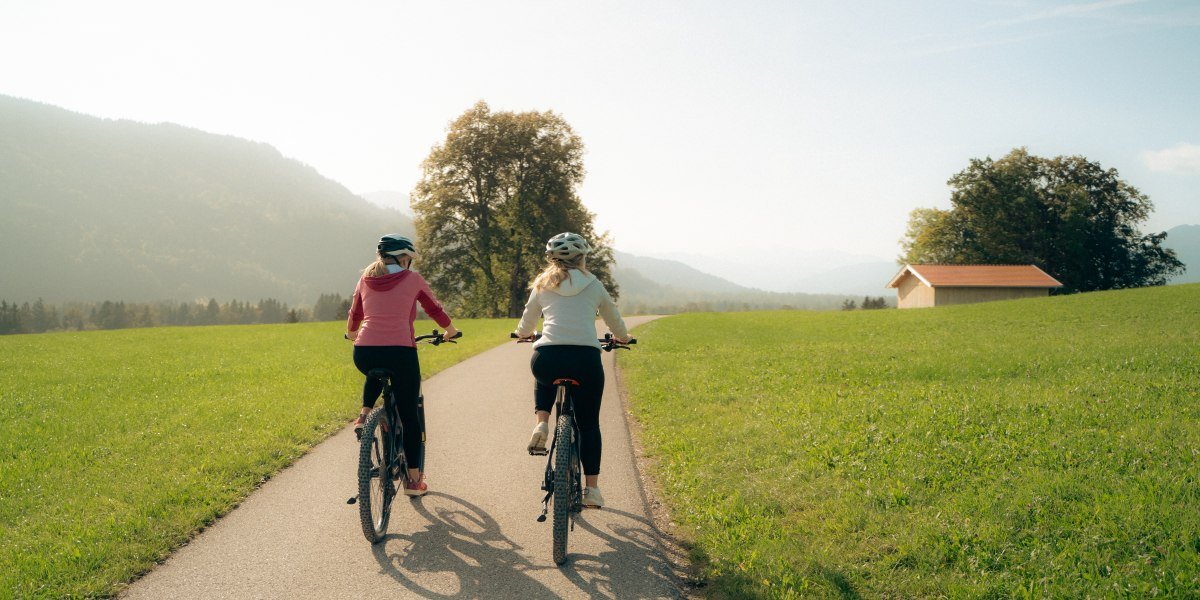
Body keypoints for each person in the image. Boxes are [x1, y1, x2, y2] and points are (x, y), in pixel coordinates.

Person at [514, 232, 630, 509]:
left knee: (543, 374)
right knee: (589, 424)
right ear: (582, 258)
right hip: (585, 359)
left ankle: (542, 421)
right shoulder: (594, 284)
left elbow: (527, 323)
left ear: (551, 259)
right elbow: (614, 320)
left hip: (548, 357)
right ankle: (592, 490)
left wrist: (523, 334)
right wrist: (622, 338)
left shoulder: (542, 284)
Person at [346, 234, 458, 497]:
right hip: (400, 352)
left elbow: (355, 314)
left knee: (375, 369)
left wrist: (353, 334)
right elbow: (434, 308)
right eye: (409, 258)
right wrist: (450, 330)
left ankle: (364, 414)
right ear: (403, 258)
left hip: (364, 352)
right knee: (409, 416)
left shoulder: (366, 279)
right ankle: (414, 481)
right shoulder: (413, 279)